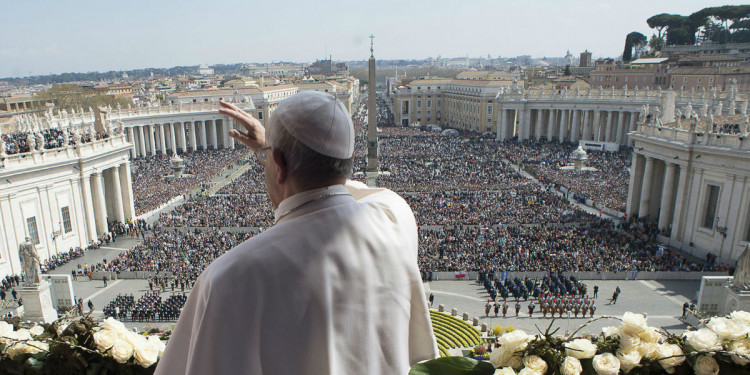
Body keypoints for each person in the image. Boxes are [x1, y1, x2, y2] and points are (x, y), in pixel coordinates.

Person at [155, 92, 437, 375]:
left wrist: (275, 151)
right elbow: (353, 190)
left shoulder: (229, 278)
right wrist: (276, 150)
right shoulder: (395, 217)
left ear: (278, 164)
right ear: (350, 158)